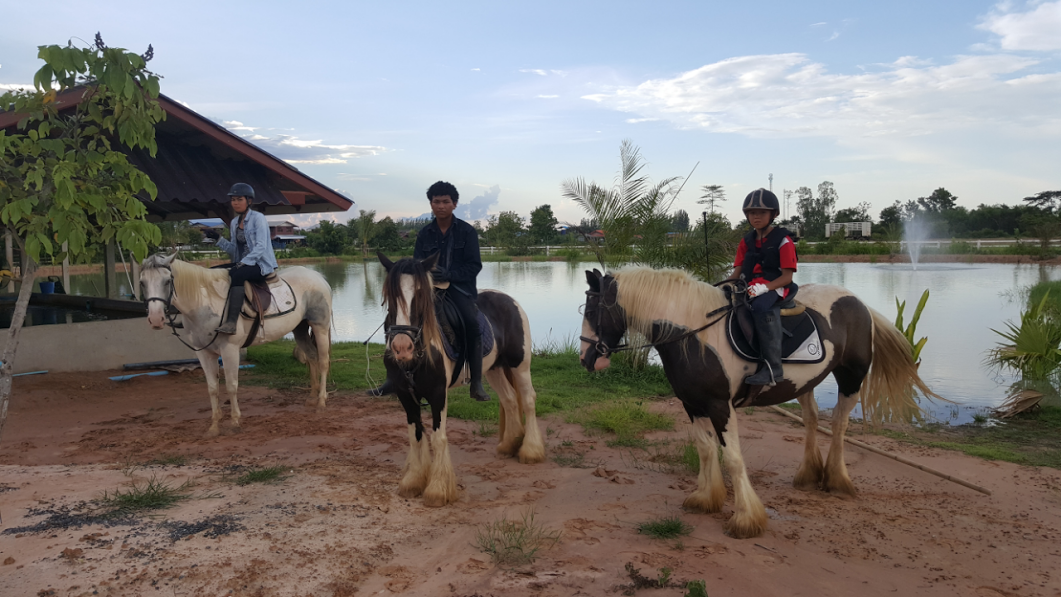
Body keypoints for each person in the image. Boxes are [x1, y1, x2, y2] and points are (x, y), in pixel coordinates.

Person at [370, 181, 490, 402]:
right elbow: (416, 264)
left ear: (454, 204)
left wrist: (450, 274)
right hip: (427, 288)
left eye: (446, 202)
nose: (441, 206)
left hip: (459, 289)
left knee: (471, 323)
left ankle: (476, 382)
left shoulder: (467, 231)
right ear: (431, 204)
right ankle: (392, 377)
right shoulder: (425, 233)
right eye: (436, 202)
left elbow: (474, 266)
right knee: (393, 320)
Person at [724, 188, 797, 386]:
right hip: (749, 286)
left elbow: (787, 276)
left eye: (762, 213)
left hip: (777, 287)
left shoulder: (784, 241)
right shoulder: (746, 241)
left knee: (761, 307)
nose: (756, 217)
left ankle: (774, 369)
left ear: (773, 214)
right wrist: (723, 285)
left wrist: (765, 288)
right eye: (752, 213)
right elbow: (737, 273)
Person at [201, 183, 280, 334]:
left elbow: (261, 246)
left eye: (239, 199)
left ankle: (231, 322)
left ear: (249, 201)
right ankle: (206, 314)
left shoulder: (258, 218)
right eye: (233, 200)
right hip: (242, 263)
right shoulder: (234, 223)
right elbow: (233, 249)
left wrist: (243, 263)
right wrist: (217, 238)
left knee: (236, 275)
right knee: (209, 273)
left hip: (260, 264)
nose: (235, 203)